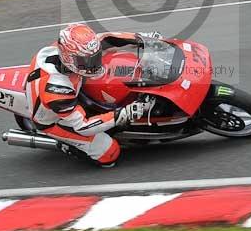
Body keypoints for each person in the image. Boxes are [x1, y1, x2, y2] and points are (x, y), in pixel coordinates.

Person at [26, 23, 156, 167]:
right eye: (87, 61)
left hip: (69, 90)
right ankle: (67, 145)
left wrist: (142, 38)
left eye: (96, 56)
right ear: (69, 59)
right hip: (55, 120)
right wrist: (124, 113)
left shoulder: (76, 50)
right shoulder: (57, 89)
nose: (94, 63)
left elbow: (107, 38)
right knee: (109, 153)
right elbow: (83, 126)